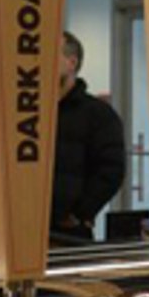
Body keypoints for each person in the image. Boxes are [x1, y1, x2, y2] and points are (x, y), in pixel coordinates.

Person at [51, 31, 126, 244]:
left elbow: (111, 170)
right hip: (26, 226)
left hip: (69, 232)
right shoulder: (29, 112)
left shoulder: (98, 114)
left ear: (71, 62)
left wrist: (80, 213)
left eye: (49, 55)